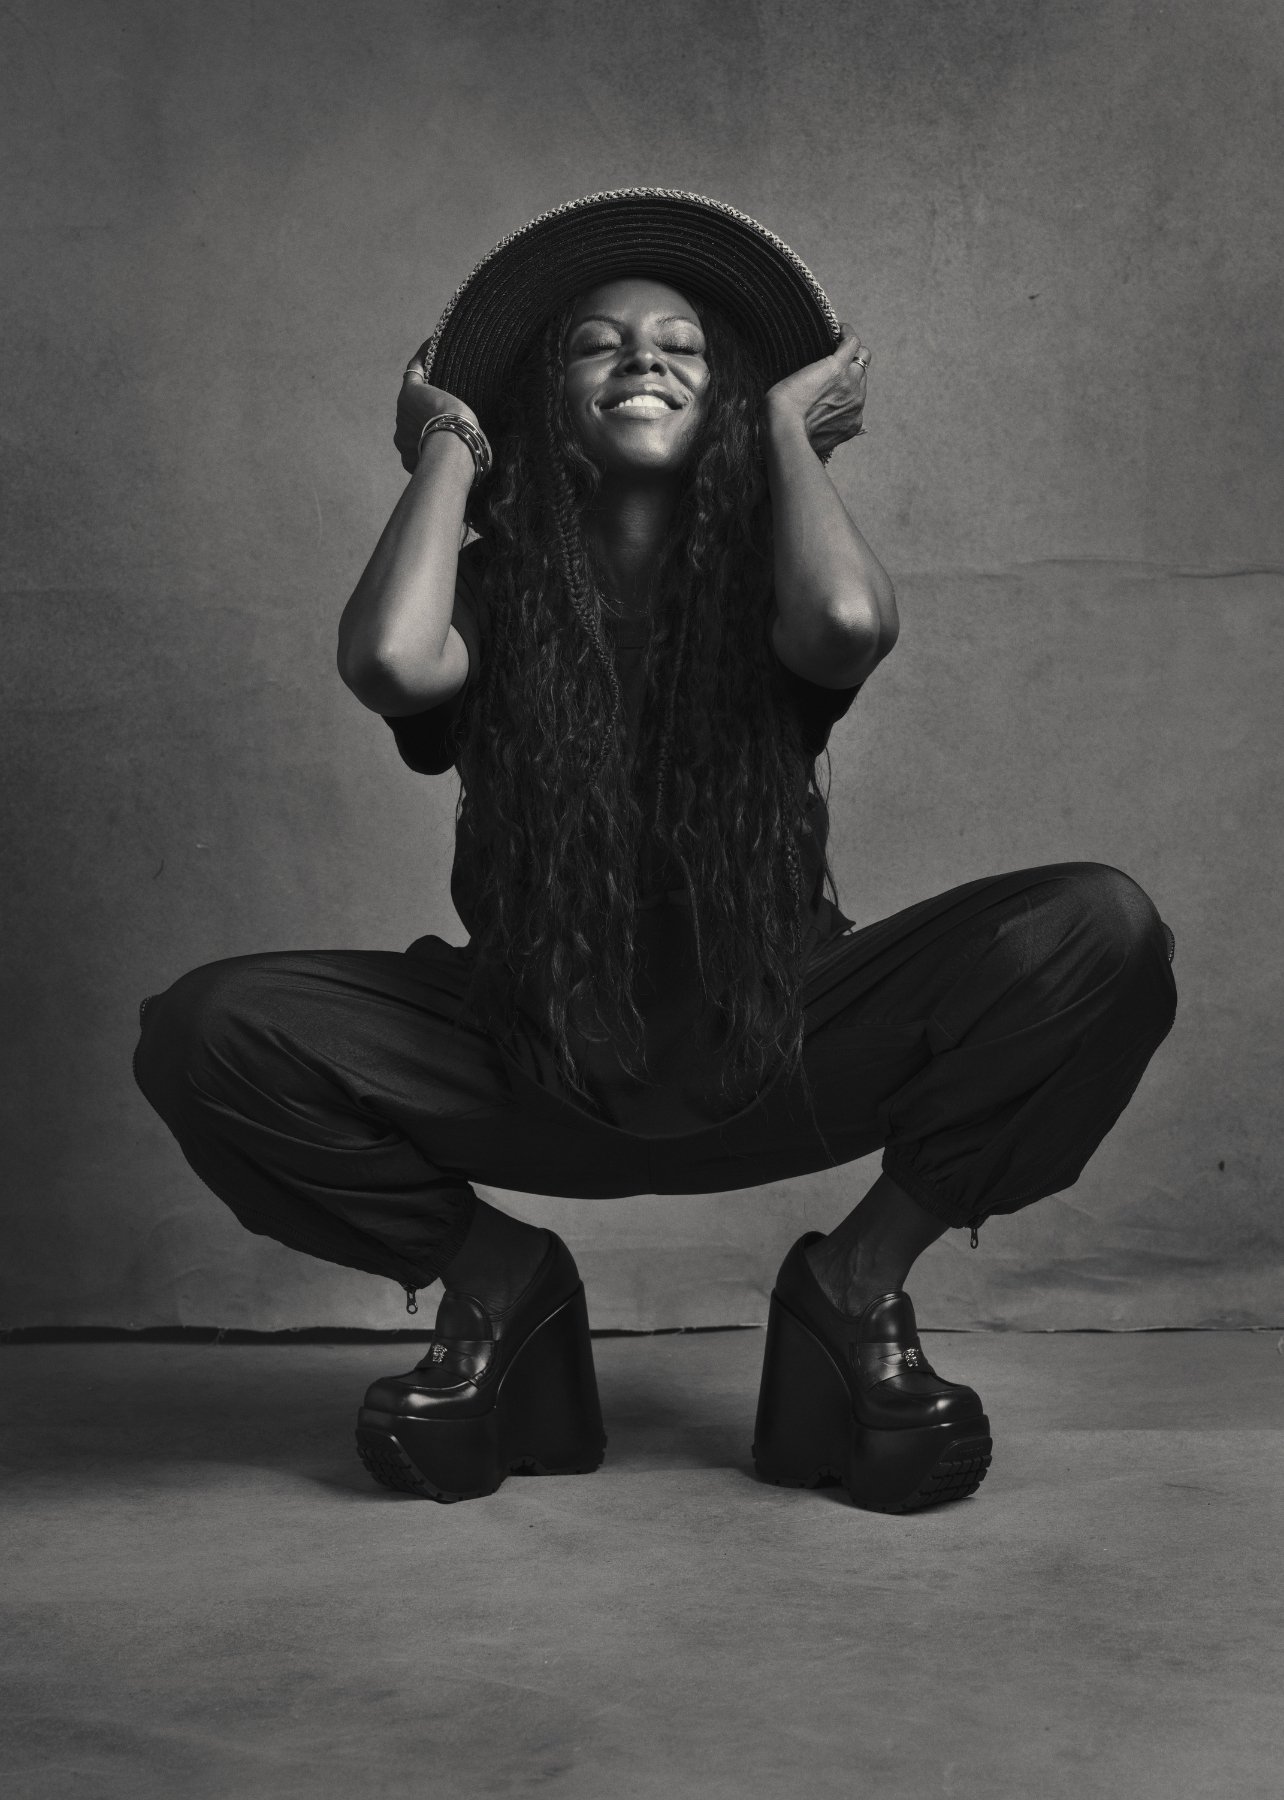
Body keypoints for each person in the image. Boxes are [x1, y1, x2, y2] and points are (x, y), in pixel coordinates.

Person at [133, 189, 1177, 1513]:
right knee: (209, 1030)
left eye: (683, 343)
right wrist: (451, 446)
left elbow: (849, 625)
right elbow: (390, 659)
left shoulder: (777, 580)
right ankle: (496, 1283)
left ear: (724, 391)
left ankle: (855, 1292)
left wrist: (786, 430)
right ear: (544, 396)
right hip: (532, 1054)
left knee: (1099, 929)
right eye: (596, 344)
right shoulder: (489, 596)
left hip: (778, 1040)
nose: (644, 359)